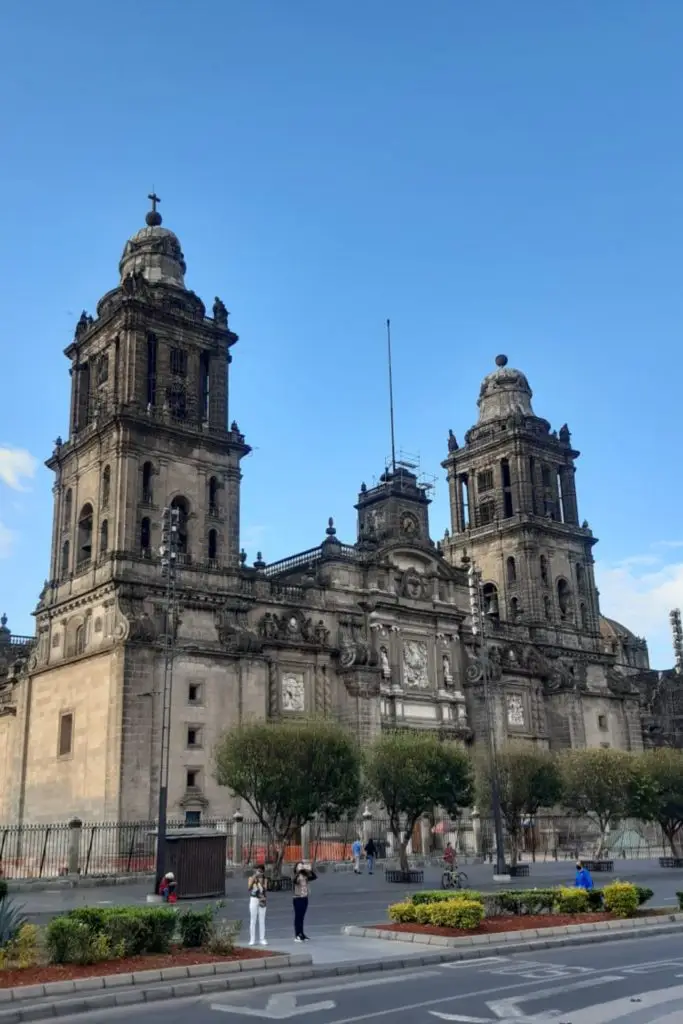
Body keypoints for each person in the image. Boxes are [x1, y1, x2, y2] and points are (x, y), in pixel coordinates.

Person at [292, 861, 317, 942]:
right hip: (298, 898)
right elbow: (295, 881)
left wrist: (309, 870)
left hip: (304, 897)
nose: (301, 867)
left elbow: (314, 877)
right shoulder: (296, 875)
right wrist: (299, 871)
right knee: (298, 917)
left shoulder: (305, 875)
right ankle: (297, 935)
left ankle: (302, 933)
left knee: (302, 917)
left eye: (302, 866)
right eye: (299, 866)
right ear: (296, 868)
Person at [247, 864, 268, 946]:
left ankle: (262, 939)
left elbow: (265, 889)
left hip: (262, 899)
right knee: (253, 920)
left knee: (262, 920)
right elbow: (249, 888)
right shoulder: (251, 878)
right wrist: (254, 878)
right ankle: (252, 939)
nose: (258, 872)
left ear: (263, 872)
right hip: (253, 899)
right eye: (257, 870)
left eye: (260, 871)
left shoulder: (265, 879)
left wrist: (259, 881)